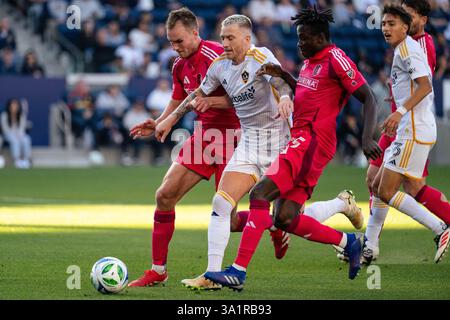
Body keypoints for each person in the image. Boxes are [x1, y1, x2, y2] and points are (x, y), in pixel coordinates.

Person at [152, 13, 366, 291]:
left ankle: (340, 213)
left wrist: (286, 98)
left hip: (281, 143)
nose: (225, 43)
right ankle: (212, 275)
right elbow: (196, 96)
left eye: (230, 38)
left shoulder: (260, 55)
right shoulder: (218, 66)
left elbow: (279, 82)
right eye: (222, 38)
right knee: (222, 204)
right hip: (250, 143)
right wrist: (170, 119)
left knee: (288, 218)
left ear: (246, 38)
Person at [203, 7, 382, 291]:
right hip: (303, 141)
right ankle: (348, 242)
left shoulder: (336, 59)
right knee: (285, 219)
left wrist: (367, 137)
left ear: (321, 37)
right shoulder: (310, 62)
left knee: (260, 192)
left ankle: (237, 271)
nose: (299, 45)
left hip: (309, 142)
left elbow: (369, 97)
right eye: (298, 40)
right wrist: (286, 76)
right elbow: (309, 96)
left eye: (304, 39)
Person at [127, 8, 275, 290]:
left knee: (229, 219)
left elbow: (247, 96)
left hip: (235, 137)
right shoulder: (178, 65)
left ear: (195, 33)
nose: (175, 47)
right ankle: (158, 270)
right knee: (164, 195)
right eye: (171, 42)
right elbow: (180, 98)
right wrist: (161, 121)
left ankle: (272, 223)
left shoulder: (218, 55)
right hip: (205, 137)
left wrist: (210, 104)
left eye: (180, 41)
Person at [362, 1, 450, 265]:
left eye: (392, 24)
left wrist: (399, 112)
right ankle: (370, 244)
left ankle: (440, 228)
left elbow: (424, 86)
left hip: (412, 129)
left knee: (391, 189)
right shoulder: (402, 48)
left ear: (407, 26)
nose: (385, 29)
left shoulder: (410, 50)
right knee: (378, 186)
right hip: (406, 128)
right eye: (384, 24)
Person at [0, 98, 32, 168]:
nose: (14, 107)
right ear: (9, 106)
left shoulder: (21, 116)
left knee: (26, 139)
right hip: (8, 135)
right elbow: (5, 129)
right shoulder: (4, 115)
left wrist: (19, 134)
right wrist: (14, 134)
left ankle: (26, 159)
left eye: (16, 105)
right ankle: (16, 160)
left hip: (19, 134)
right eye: (13, 105)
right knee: (15, 140)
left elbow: (22, 128)